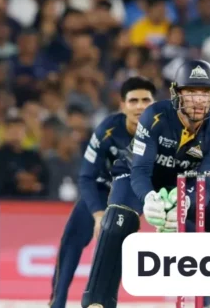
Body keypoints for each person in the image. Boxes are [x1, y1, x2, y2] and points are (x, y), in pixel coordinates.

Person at [82, 60, 210, 308]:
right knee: (117, 221)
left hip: (189, 185)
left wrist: (185, 202)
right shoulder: (154, 116)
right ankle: (97, 302)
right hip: (142, 177)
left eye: (205, 93)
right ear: (177, 94)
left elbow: (207, 185)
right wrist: (149, 198)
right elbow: (140, 170)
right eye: (191, 92)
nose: (199, 100)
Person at [48, 76, 156, 308]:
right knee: (72, 237)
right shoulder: (108, 130)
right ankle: (57, 302)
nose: (140, 106)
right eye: (133, 101)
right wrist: (98, 214)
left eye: (146, 100)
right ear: (122, 105)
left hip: (136, 193)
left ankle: (105, 302)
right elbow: (86, 177)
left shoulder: (163, 132)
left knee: (115, 237)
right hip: (102, 189)